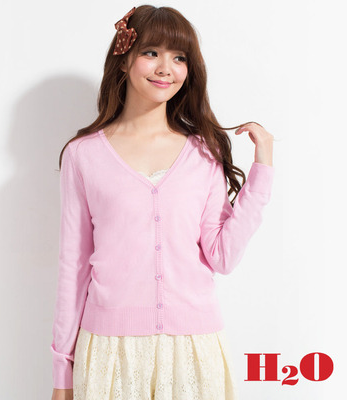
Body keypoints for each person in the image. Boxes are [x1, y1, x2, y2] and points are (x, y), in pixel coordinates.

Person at [51, 5, 274, 400]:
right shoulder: (83, 155)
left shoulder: (204, 153)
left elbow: (222, 256)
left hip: (193, 348)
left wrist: (263, 169)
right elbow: (74, 265)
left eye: (179, 57)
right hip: (109, 351)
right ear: (124, 60)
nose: (165, 68)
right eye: (151, 52)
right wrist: (61, 374)